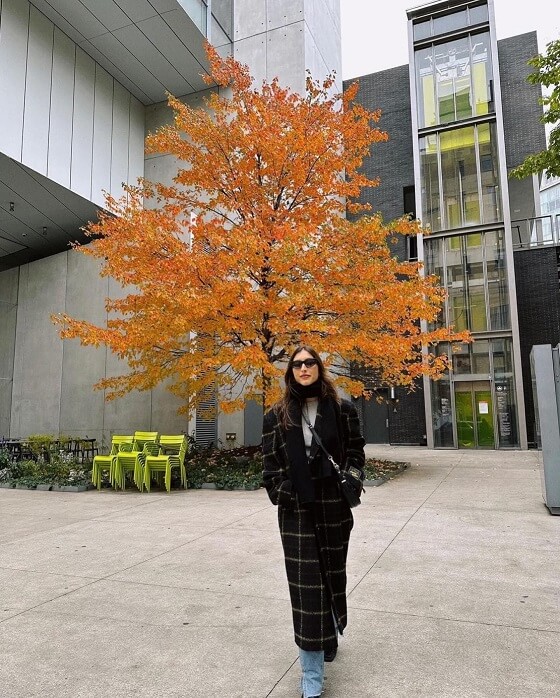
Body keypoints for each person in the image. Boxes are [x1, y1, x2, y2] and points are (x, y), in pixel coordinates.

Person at [262, 346, 365, 698]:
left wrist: (350, 478)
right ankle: (312, 676)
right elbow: (270, 469)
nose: (304, 368)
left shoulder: (342, 409)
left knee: (333, 576)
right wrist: (286, 493)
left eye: (310, 363)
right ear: (290, 372)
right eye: (297, 364)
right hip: (297, 510)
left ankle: (331, 628)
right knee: (307, 590)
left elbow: (355, 451)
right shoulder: (276, 415)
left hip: (333, 506)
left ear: (319, 368)